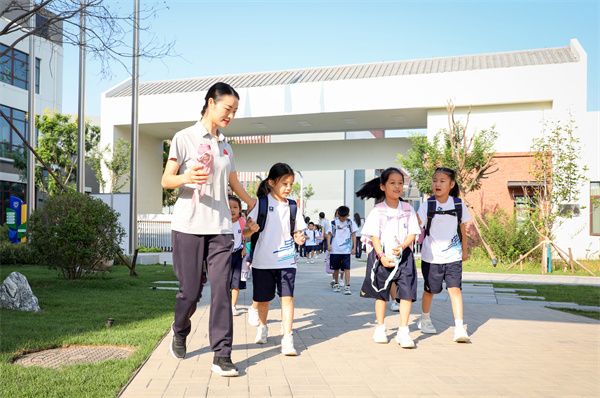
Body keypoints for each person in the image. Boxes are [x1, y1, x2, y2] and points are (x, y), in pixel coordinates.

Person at [161, 82, 255, 377]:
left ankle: (222, 354)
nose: (231, 115)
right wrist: (187, 176)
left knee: (222, 292)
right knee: (189, 292)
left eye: (235, 111)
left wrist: (252, 201)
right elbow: (167, 180)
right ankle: (180, 328)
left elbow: (234, 182)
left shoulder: (225, 145)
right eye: (228, 109)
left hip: (220, 228)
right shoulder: (184, 137)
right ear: (211, 103)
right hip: (188, 226)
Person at [243, 163, 307, 356]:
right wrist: (250, 230)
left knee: (287, 299)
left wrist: (300, 238)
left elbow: (299, 233)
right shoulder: (261, 204)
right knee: (263, 300)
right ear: (271, 183)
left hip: (287, 261)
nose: (288, 187)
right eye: (284, 183)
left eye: (291, 184)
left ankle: (287, 338)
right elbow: (246, 231)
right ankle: (262, 326)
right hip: (263, 262)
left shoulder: (293, 207)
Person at [356, 168, 421, 347]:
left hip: (404, 257)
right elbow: (373, 236)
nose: (397, 186)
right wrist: (381, 256)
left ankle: (404, 331)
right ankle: (380, 327)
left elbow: (413, 233)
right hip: (381, 257)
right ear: (383, 187)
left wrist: (404, 246)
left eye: (400, 182)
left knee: (406, 294)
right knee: (381, 294)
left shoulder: (408, 209)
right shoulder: (377, 210)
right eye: (392, 183)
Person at [416, 167, 472, 343]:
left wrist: (464, 249)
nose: (437, 184)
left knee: (455, 289)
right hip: (431, 257)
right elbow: (417, 227)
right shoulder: (427, 205)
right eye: (435, 180)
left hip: (453, 256)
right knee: (430, 290)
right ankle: (425, 319)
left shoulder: (458, 204)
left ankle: (459, 328)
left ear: (451, 184)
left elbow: (462, 228)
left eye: (442, 181)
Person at [327, 205, 357, 295]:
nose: (341, 219)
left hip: (346, 251)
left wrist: (354, 247)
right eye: (339, 217)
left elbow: (354, 235)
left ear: (348, 215)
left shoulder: (351, 223)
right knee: (336, 268)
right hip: (335, 250)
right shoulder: (334, 223)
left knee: (347, 268)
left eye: (343, 217)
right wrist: (328, 244)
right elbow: (329, 234)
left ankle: (347, 286)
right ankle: (336, 284)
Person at [229, 196, 246, 317]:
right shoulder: (222, 221)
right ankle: (224, 304)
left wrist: (244, 248)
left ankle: (233, 306)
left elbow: (245, 237)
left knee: (236, 282)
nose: (232, 210)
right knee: (224, 282)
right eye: (229, 207)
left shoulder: (242, 222)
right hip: (224, 255)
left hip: (237, 254)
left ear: (240, 209)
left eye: (235, 207)